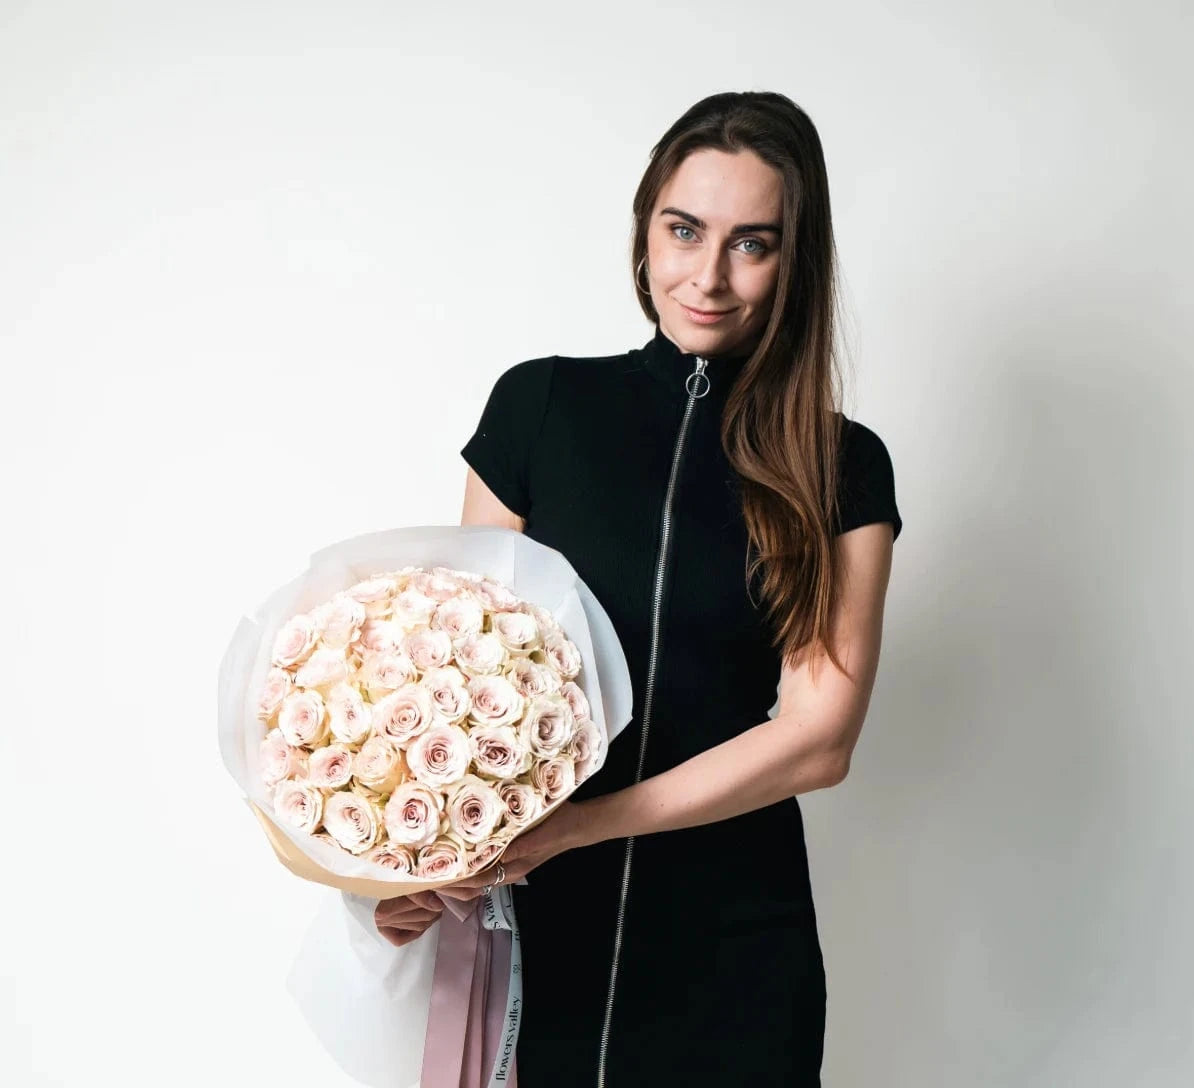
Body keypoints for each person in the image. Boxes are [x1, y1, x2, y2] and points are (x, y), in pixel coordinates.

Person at [375, 90, 903, 1086]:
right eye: (682, 230)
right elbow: (448, 663)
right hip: (537, 932)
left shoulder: (840, 468)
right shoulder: (538, 408)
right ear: (643, 229)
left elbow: (818, 738)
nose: (707, 275)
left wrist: (579, 826)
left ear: (797, 258)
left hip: (734, 947)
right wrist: (415, 871)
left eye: (752, 243)